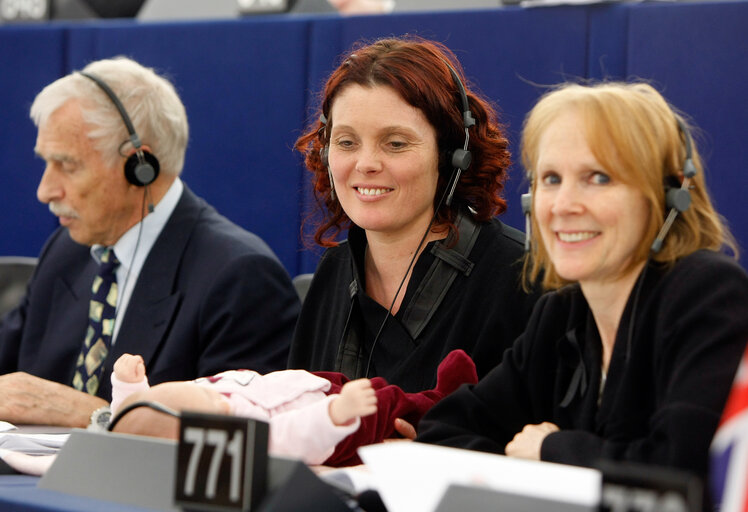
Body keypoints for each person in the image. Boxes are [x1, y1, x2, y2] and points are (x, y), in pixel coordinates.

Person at [416, 82, 748, 498]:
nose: (563, 204)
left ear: (669, 195)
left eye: (598, 178)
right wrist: (535, 476)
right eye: (551, 179)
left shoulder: (706, 293)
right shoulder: (561, 314)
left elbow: (681, 472)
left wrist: (551, 449)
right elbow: (442, 432)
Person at [0, 57, 300, 428]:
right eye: (46, 163)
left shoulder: (239, 276)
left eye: (68, 165)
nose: (45, 191)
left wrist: (92, 415)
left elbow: (234, 441)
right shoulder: (66, 250)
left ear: (140, 167)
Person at [288, 37, 538, 396]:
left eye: (396, 143)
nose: (366, 163)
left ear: (452, 154)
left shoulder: (519, 276)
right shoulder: (334, 271)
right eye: (346, 142)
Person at [108, 349, 477, 466]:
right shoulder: (244, 442)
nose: (218, 399)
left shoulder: (169, 410)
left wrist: (129, 385)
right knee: (388, 404)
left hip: (310, 388)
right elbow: (293, 437)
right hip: (335, 432)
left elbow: (126, 424)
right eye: (213, 406)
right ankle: (442, 401)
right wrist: (335, 414)